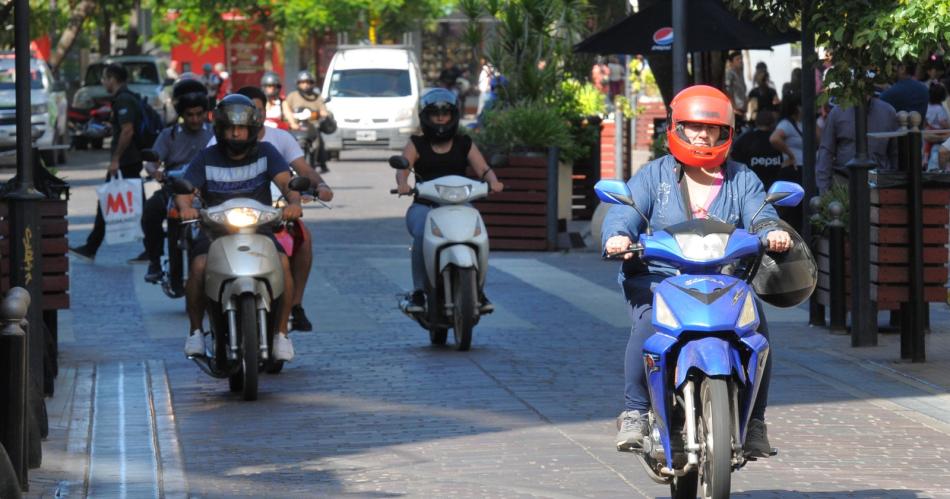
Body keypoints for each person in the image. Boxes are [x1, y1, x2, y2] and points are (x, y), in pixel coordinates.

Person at [602, 85, 793, 457]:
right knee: (647, 324)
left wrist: (772, 233)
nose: (703, 135)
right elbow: (625, 212)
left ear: (726, 133)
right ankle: (636, 412)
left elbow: (761, 214)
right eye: (693, 127)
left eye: (713, 128)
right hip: (660, 278)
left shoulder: (742, 179)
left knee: (757, 330)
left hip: (725, 279)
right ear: (676, 128)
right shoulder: (653, 177)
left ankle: (755, 422)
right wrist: (618, 237)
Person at [178, 94, 301, 361]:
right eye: (230, 128)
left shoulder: (267, 152)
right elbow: (186, 189)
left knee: (283, 262)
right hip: (215, 231)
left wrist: (294, 202)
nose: (236, 134)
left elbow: (287, 182)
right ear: (220, 129)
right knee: (199, 267)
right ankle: (196, 332)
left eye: (242, 128)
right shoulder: (206, 157)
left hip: (260, 229)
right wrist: (186, 206)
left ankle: (281, 334)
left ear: (252, 129)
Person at [207, 85, 335, 331]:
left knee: (303, 238)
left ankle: (294, 306)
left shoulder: (277, 141)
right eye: (246, 111)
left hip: (272, 213)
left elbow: (302, 172)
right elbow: (199, 178)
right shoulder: (217, 144)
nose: (251, 117)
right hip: (227, 217)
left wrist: (318, 188)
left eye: (258, 110)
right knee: (201, 260)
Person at [395, 88, 504, 312]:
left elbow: (482, 168)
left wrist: (494, 181)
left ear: (454, 115)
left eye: (445, 113)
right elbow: (404, 167)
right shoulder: (417, 143)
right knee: (420, 234)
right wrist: (402, 183)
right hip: (425, 206)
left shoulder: (465, 143)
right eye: (436, 114)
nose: (441, 118)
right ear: (426, 116)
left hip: (461, 204)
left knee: (479, 233)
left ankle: (478, 290)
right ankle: (418, 292)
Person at [70, 63, 148, 262]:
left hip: (126, 160)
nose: (104, 82)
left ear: (113, 79)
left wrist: (115, 159)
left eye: (105, 78)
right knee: (131, 204)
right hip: (130, 159)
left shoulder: (123, 100)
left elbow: (128, 130)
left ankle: (92, 247)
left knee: (114, 203)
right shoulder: (126, 98)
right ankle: (92, 246)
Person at [141, 76, 214, 283]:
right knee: (150, 212)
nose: (195, 119)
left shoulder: (214, 133)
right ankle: (154, 262)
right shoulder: (168, 135)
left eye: (199, 114)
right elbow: (152, 161)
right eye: (189, 115)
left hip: (207, 191)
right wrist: (155, 171)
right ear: (181, 113)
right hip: (173, 188)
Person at [816, 94, 898, 193]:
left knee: (872, 203)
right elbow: (826, 151)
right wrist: (823, 188)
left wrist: (894, 185)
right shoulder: (838, 112)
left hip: (876, 177)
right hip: (844, 177)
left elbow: (894, 152)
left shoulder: (888, 112)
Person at [769, 94, 807, 231]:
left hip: (803, 169)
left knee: (801, 211)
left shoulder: (803, 123)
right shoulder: (786, 124)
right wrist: (791, 155)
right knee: (791, 211)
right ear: (797, 107)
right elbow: (774, 139)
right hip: (793, 170)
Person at [282, 70, 330, 173]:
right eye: (303, 82)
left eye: (308, 82)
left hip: (312, 128)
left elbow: (323, 110)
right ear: (298, 83)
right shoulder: (292, 96)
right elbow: (285, 109)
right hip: (295, 128)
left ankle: (321, 163)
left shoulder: (317, 97)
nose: (305, 85)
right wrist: (291, 121)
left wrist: (323, 114)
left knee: (319, 142)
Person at [731, 109, 783, 190]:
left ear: (756, 122)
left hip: (750, 186)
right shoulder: (778, 139)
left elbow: (734, 157)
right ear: (773, 123)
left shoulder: (745, 138)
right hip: (775, 188)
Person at [924, 82, 950, 171]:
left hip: (929, 129)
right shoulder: (940, 109)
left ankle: (925, 159)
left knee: (927, 146)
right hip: (939, 130)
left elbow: (925, 119)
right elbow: (942, 122)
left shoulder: (927, 106)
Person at [724, 51, 748, 131]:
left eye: (741, 58)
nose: (741, 61)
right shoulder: (730, 74)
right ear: (731, 62)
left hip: (741, 110)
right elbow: (727, 90)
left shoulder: (740, 73)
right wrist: (733, 107)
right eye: (737, 59)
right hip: (735, 110)